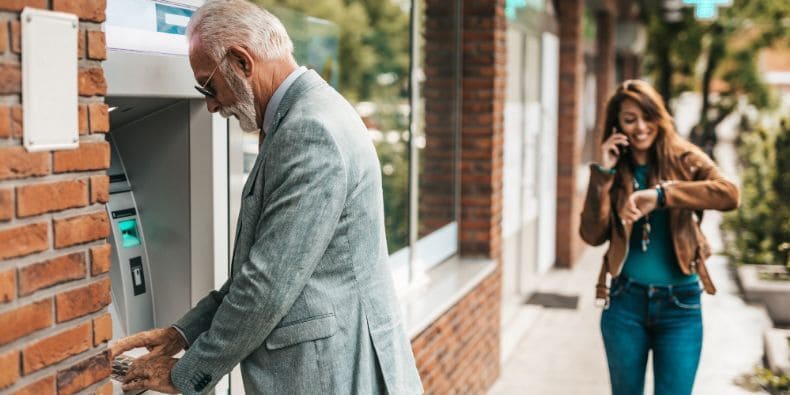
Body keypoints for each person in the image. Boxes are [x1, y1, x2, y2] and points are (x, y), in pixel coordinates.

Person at [109, 1, 423, 394]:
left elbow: (267, 284)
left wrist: (185, 373)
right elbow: (263, 272)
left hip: (332, 375)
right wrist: (182, 333)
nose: (210, 103)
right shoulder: (307, 114)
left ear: (242, 62)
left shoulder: (309, 131)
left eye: (208, 85)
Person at [579, 80, 739, 395]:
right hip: (625, 302)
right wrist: (604, 176)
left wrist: (663, 196)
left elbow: (729, 194)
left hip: (680, 305)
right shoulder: (616, 168)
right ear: (617, 125)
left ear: (659, 116)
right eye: (629, 119)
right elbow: (592, 235)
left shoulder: (685, 158)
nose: (640, 127)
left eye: (647, 116)